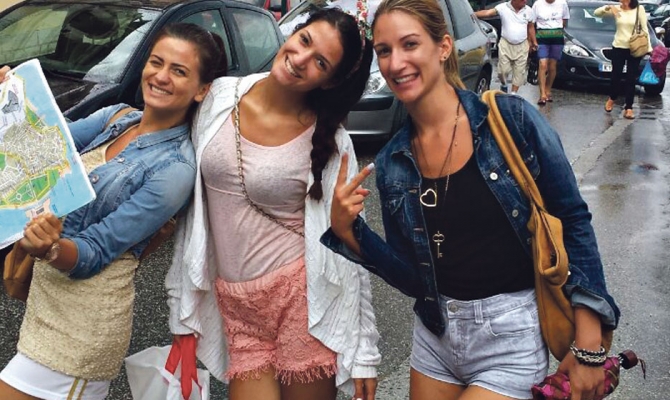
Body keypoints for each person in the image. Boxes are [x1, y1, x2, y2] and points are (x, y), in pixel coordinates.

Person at [322, 0, 621, 399]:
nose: (396, 63)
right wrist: (350, 232)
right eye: (384, 50)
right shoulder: (394, 161)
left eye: (410, 44)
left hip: (510, 338)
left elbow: (572, 219)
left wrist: (589, 342)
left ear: (443, 47)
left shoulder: (511, 121)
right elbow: (414, 278)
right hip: (435, 338)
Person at [0, 23, 226, 400]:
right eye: (157, 62)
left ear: (202, 89)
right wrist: (13, 102)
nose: (161, 76)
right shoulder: (118, 117)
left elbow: (97, 249)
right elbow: (48, 143)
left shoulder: (175, 169)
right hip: (43, 309)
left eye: (179, 71)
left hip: (82, 329)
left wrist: (50, 249)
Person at [165, 7, 381, 400]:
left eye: (320, 62)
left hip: (301, 302)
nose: (300, 59)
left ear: (330, 80)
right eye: (304, 40)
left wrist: (364, 351)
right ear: (293, 32)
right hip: (237, 305)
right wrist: (182, 305)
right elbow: (191, 213)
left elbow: (349, 248)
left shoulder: (332, 142)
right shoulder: (218, 97)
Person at [595, 0, 652, 119]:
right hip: (619, 47)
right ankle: (612, 98)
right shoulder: (617, 8)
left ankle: (629, 108)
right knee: (616, 75)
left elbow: (644, 29)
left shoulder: (639, 9)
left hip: (635, 47)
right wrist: (609, 7)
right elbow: (597, 13)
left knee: (631, 78)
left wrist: (649, 48)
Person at [474, 0, 537, 94]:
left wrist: (534, 42)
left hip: (522, 45)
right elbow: (487, 13)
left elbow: (531, 27)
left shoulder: (529, 11)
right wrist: (471, 14)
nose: (525, 1)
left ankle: (513, 94)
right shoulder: (503, 7)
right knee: (502, 71)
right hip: (506, 44)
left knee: (519, 72)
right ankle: (504, 84)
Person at [532, 0, 569, 105]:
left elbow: (565, 21)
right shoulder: (537, 4)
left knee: (552, 66)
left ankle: (548, 90)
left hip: (557, 37)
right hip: (542, 36)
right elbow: (531, 23)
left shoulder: (562, 3)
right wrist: (532, 41)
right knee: (543, 64)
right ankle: (542, 94)